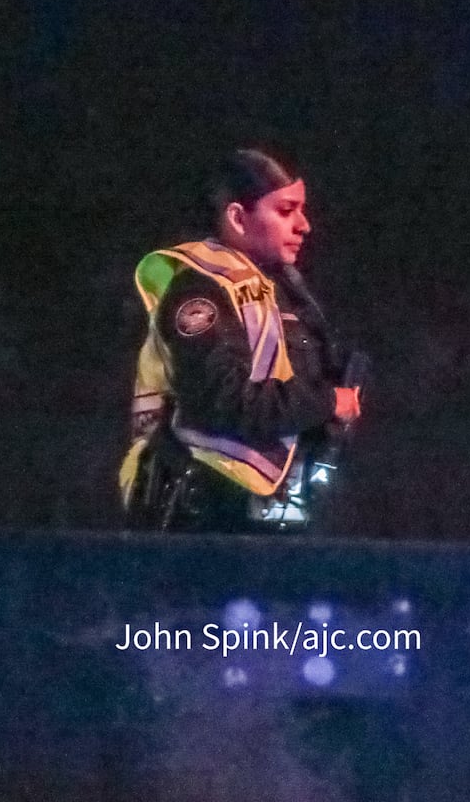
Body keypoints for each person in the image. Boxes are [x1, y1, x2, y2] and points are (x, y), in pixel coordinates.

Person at [118, 147, 362, 533]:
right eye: (285, 211)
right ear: (237, 217)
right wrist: (329, 401)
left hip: (264, 510)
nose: (304, 225)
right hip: (205, 514)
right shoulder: (200, 291)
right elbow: (224, 402)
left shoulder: (278, 288)